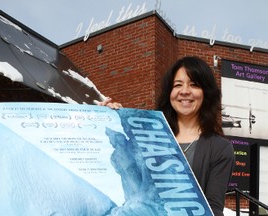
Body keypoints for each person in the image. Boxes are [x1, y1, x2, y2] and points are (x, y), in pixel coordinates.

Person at [99, 56, 235, 216]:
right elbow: (123, 175)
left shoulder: (220, 149)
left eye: (194, 85)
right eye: (178, 85)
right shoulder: (147, 135)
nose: (184, 91)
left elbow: (213, 210)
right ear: (170, 92)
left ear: (206, 93)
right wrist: (106, 117)